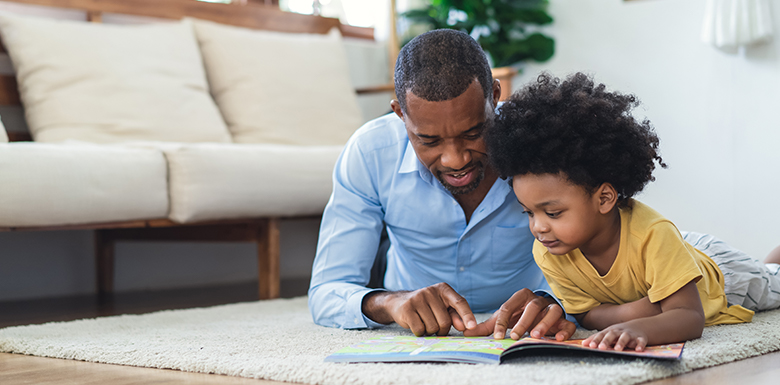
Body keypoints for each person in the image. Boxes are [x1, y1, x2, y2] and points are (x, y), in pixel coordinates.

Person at [308, 29, 575, 341]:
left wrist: (555, 300)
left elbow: (604, 252)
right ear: (400, 114)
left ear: (495, 97)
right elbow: (327, 291)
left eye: (473, 133)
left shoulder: (544, 146)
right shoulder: (370, 153)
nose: (455, 160)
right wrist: (390, 302)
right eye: (429, 140)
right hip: (403, 288)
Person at [484, 72, 780, 352]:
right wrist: (635, 312)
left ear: (604, 198)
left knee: (773, 280)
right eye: (529, 213)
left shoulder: (652, 234)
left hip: (723, 275)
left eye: (553, 213)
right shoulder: (549, 251)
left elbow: (690, 317)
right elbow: (586, 314)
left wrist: (643, 328)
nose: (539, 227)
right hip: (675, 254)